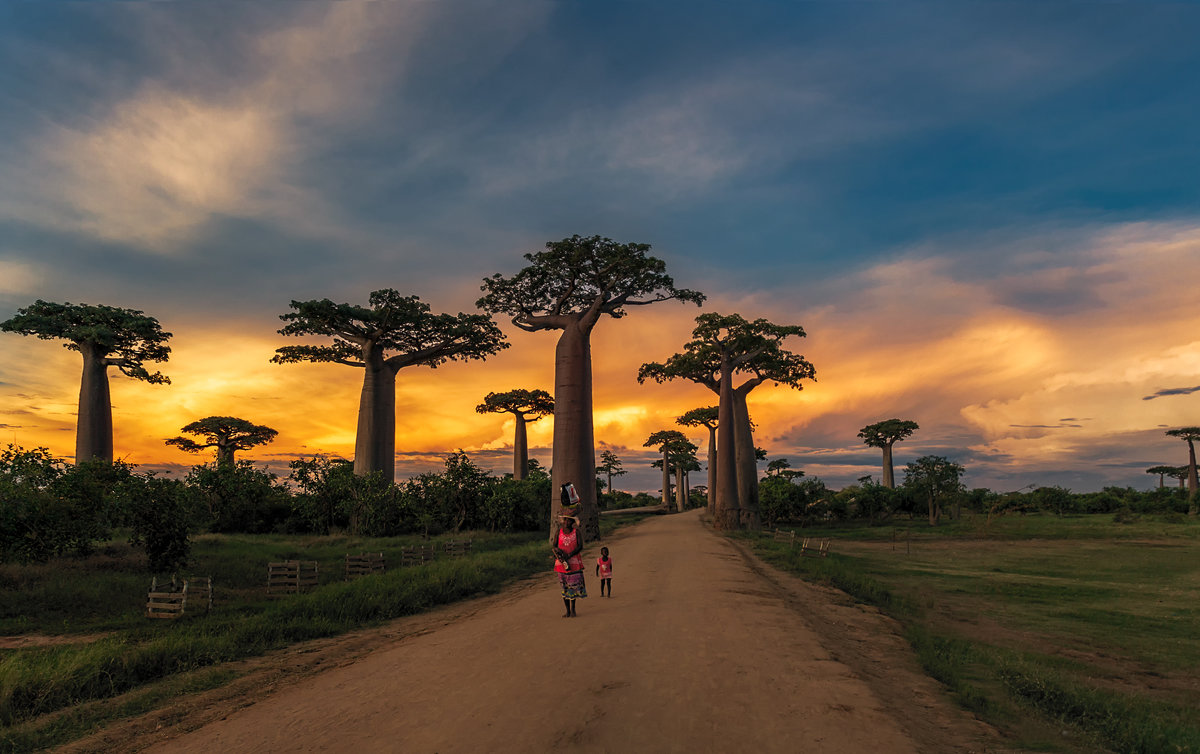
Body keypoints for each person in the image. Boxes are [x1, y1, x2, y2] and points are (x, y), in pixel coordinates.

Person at [552, 508, 587, 617]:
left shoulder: (576, 532)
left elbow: (580, 546)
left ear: (572, 522)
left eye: (569, 520)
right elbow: (554, 545)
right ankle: (567, 610)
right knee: (564, 588)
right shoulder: (559, 532)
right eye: (565, 520)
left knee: (573, 587)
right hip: (561, 563)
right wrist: (558, 552)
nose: (567, 522)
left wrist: (570, 554)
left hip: (573, 563)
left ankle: (573, 609)